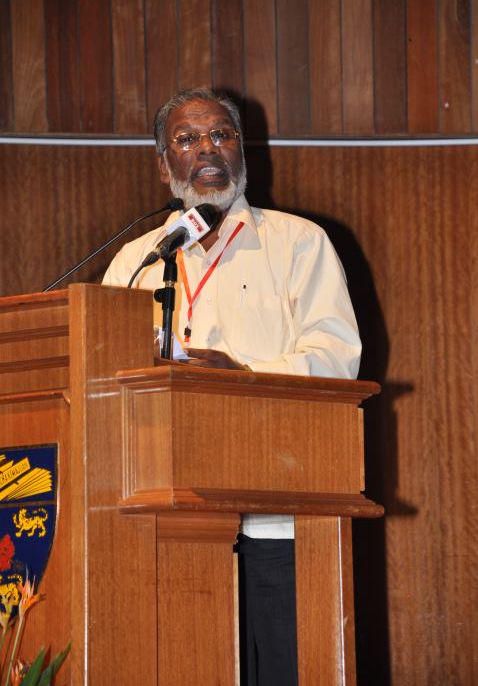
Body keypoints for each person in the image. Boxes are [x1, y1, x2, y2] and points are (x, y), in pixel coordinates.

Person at [103, 87, 361, 686]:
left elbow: (335, 359)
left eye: (221, 134)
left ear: (243, 153)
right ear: (164, 165)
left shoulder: (298, 243)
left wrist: (241, 376)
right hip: (170, 523)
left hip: (279, 518)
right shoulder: (137, 261)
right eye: (187, 139)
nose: (207, 148)